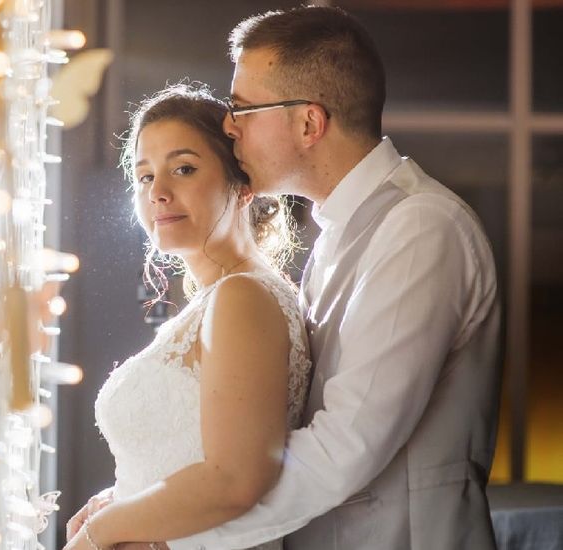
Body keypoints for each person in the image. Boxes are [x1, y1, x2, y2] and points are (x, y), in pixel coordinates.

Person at [163, 6, 502, 550]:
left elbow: (347, 445)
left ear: (309, 123)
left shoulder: (420, 228)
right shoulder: (341, 233)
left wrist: (177, 534)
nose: (229, 125)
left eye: (244, 108)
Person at [62, 82, 313, 550]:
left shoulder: (244, 297)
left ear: (242, 185)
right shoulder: (220, 299)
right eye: (143, 176)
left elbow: (235, 479)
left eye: (183, 169)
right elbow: (187, 454)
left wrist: (102, 533)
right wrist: (121, 500)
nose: (158, 191)